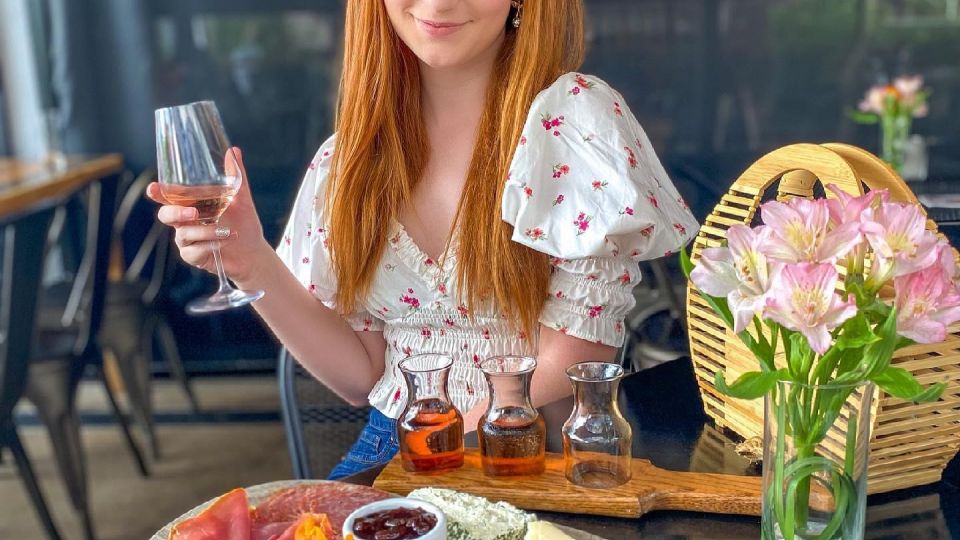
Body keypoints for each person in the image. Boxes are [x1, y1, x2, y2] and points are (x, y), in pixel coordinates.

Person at [148, 0, 699, 479]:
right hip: (394, 446)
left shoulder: (574, 121)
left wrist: (440, 455)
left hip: (529, 453)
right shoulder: (347, 163)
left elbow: (580, 354)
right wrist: (250, 261)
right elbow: (362, 377)